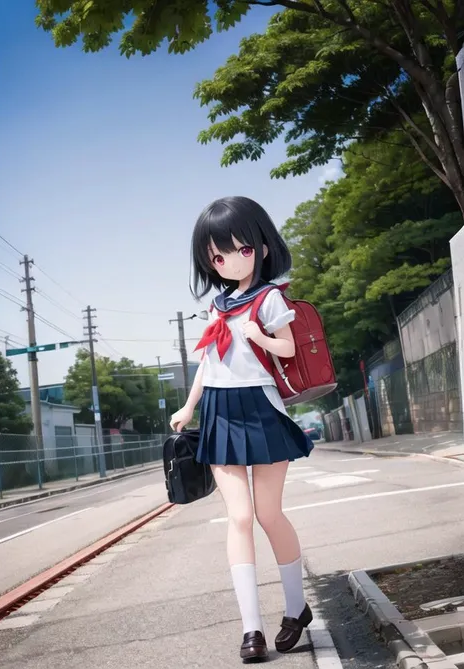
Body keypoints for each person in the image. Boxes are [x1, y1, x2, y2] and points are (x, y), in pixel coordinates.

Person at [170, 196, 314, 664]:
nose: (229, 261)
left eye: (240, 249)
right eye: (217, 256)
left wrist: (259, 336)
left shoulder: (269, 297)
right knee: (239, 518)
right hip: (219, 410)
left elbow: (288, 348)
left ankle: (295, 610)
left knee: (269, 515)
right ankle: (251, 627)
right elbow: (208, 363)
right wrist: (190, 407)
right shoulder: (217, 305)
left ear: (261, 247)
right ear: (210, 261)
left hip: (261, 408)